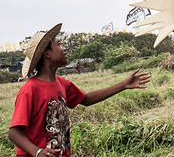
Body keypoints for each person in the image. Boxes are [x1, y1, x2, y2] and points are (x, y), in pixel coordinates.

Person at [8, 23, 151, 157]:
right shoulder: (30, 90)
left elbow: (86, 99)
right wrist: (38, 152)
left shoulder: (62, 84)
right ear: (47, 54)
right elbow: (13, 133)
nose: (64, 48)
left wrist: (123, 85)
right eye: (58, 45)